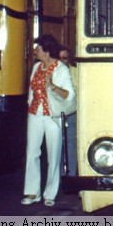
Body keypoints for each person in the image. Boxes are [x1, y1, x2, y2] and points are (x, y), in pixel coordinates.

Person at [21, 34, 75, 207]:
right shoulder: (36, 67)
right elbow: (31, 89)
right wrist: (30, 104)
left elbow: (69, 95)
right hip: (35, 113)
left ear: (47, 51)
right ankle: (32, 192)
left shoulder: (61, 69)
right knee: (32, 152)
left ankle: (50, 193)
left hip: (52, 115)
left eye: (38, 48)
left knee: (53, 154)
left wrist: (52, 86)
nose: (35, 51)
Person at [59, 46, 78, 177]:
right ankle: (59, 177)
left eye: (65, 57)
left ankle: (70, 176)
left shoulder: (76, 72)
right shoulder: (54, 72)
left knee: (71, 145)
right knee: (57, 146)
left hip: (71, 112)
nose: (62, 60)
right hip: (56, 113)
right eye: (60, 58)